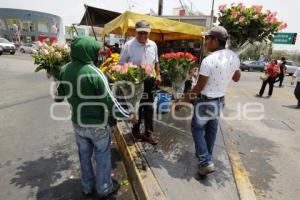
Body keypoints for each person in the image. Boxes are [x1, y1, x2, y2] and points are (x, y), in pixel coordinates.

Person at [54, 37, 136, 199]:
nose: (97, 54)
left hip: (78, 123)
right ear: (88, 51)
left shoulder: (64, 69)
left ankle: (87, 186)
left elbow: (58, 96)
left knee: (84, 155)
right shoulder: (94, 73)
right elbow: (111, 103)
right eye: (95, 51)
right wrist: (129, 115)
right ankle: (104, 188)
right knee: (102, 155)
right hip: (97, 125)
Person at [176, 26, 241, 175]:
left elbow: (199, 87)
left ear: (215, 40)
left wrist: (183, 101)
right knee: (211, 131)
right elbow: (237, 78)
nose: (206, 42)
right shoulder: (233, 57)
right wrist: (232, 67)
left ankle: (205, 162)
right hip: (219, 101)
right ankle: (207, 159)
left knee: (197, 129)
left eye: (208, 39)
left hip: (205, 102)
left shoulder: (208, 60)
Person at [119, 20, 161, 145]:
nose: (143, 35)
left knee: (148, 107)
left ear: (149, 33)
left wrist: (158, 74)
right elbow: (120, 64)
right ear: (136, 32)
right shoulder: (128, 45)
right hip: (134, 82)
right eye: (140, 33)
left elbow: (156, 61)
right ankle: (136, 132)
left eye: (145, 33)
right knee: (136, 108)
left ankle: (148, 133)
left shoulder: (153, 45)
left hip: (149, 81)